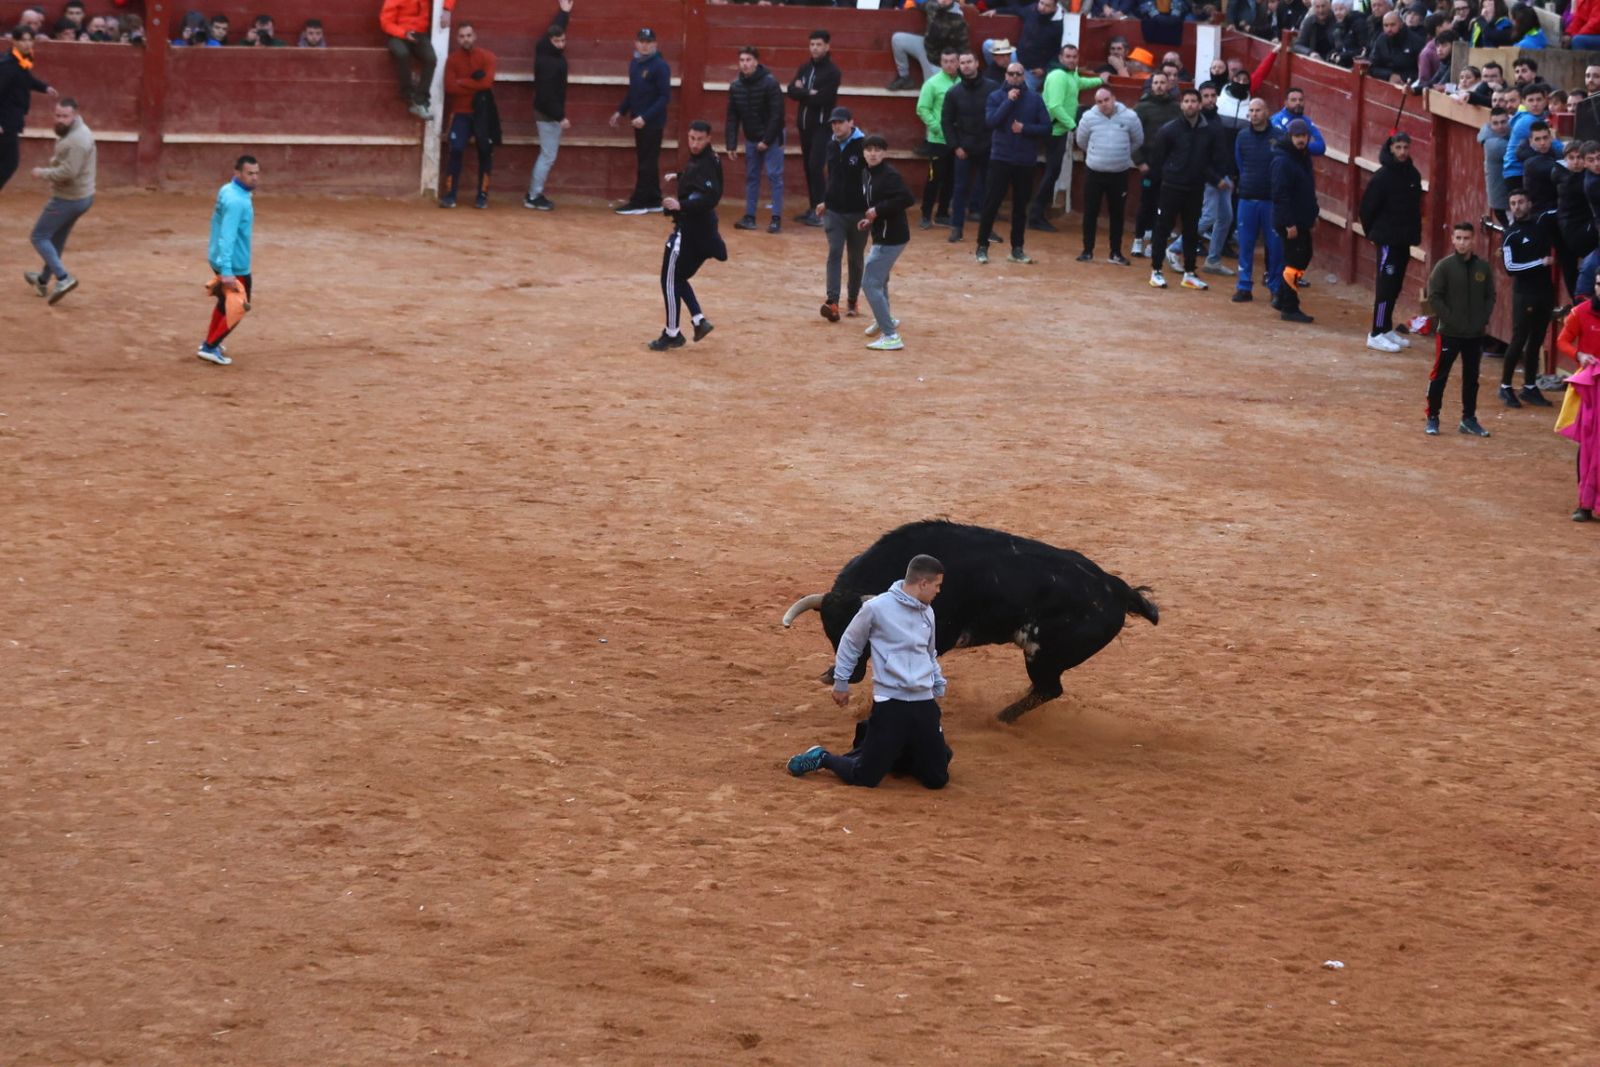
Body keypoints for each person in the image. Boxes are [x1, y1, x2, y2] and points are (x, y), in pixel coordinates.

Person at [786, 555, 951, 791]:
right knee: (865, 777)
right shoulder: (876, 608)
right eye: (937, 585)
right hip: (891, 702)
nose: (938, 591)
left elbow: (929, 652)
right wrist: (841, 682)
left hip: (923, 703)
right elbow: (850, 643)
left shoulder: (928, 612)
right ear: (923, 583)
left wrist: (937, 683)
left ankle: (893, 751)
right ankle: (823, 757)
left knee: (937, 779)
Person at [650, 120, 726, 351]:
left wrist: (680, 205)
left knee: (670, 279)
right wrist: (680, 176)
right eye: (691, 138)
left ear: (709, 138)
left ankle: (673, 332)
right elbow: (698, 180)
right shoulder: (707, 159)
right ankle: (698, 320)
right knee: (677, 278)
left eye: (699, 139)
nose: (694, 143)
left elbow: (708, 197)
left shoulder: (707, 163)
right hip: (702, 233)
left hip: (691, 233)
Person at [974, 60, 1050, 265]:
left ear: (1023, 76)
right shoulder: (996, 97)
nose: (1015, 77)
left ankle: (1017, 248)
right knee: (991, 203)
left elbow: (1046, 128)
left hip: (1025, 161)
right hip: (1001, 159)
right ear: (1005, 76)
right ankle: (982, 246)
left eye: (1018, 74)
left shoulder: (1035, 99)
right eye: (1011, 74)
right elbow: (991, 122)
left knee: (1020, 207)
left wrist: (1025, 128)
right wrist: (1008, 101)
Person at [1424, 221, 1495, 436]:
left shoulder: (1483, 268)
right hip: (1449, 333)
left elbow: (1490, 296)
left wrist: (1481, 319)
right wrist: (1451, 319)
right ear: (1453, 240)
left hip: (1474, 334)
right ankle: (1433, 417)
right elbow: (1434, 297)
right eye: (1459, 238)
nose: (1463, 242)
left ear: (1473, 241)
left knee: (1472, 378)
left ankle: (1469, 419)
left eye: (1467, 238)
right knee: (1439, 376)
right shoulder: (1444, 267)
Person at [1147, 88, 1222, 292]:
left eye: (1193, 101)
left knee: (1191, 231)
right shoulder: (1169, 130)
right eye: (1186, 101)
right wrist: (1162, 180)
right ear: (1181, 105)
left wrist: (1214, 179)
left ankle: (1189, 273)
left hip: (1195, 188)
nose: (1190, 104)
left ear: (1199, 105)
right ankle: (1156, 271)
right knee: (1163, 228)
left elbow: (1208, 161)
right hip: (1171, 187)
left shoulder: (1208, 131)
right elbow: (1158, 160)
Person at [22, 97, 93, 306]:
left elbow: (69, 172)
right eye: (58, 115)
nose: (60, 119)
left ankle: (63, 277)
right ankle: (43, 280)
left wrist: (43, 173)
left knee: (39, 236)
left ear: (75, 115)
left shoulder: (76, 141)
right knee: (55, 240)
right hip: (81, 196)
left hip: (68, 198)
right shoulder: (77, 132)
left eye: (65, 116)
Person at [1162, 83, 1235, 278]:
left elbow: (1221, 151)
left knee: (1225, 217)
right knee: (1208, 217)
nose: (1210, 99)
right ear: (1199, 102)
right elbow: (1199, 157)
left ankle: (1212, 260)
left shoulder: (1216, 120)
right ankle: (1174, 249)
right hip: (1209, 178)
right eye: (1206, 96)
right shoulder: (1200, 124)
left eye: (1213, 95)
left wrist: (1227, 174)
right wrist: (1215, 178)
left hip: (1222, 176)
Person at [1359, 131, 1422, 352]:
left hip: (1402, 240)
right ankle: (1376, 332)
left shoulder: (1412, 174)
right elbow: (1367, 209)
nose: (1403, 152)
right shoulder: (1382, 177)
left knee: (1394, 285)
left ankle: (1385, 328)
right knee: (1385, 286)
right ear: (1391, 148)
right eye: (1398, 148)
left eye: (1406, 147)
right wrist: (1375, 234)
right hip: (1387, 239)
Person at [1030, 43, 1101, 232]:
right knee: (1051, 173)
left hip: (1058, 130)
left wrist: (1099, 81)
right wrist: (1073, 126)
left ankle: (1037, 214)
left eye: (1074, 57)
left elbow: (1080, 83)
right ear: (1061, 58)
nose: (1071, 60)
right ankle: (1036, 215)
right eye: (1068, 56)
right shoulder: (1058, 76)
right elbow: (1054, 107)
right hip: (1052, 131)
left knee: (1051, 173)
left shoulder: (1070, 75)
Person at [197, 156, 259, 367]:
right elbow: (228, 236)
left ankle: (211, 342)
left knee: (224, 303)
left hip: (218, 257)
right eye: (250, 173)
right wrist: (227, 271)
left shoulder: (227, 190)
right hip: (234, 264)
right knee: (239, 307)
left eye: (256, 173)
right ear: (238, 173)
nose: (255, 178)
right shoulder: (237, 201)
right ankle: (210, 346)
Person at [1498, 189, 1556, 409]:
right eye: (1512, 203)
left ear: (1529, 203)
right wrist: (1539, 263)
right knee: (1519, 339)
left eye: (1521, 202)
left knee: (1537, 339)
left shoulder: (1541, 226)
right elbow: (1510, 268)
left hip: (1544, 291)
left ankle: (1530, 386)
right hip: (1525, 294)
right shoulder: (1510, 234)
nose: (1516, 207)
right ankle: (1505, 386)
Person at [858, 134, 915, 352]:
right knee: (879, 281)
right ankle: (885, 318)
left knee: (870, 282)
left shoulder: (889, 175)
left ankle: (891, 335)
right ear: (863, 153)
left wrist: (877, 211)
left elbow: (907, 198)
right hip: (883, 233)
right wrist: (870, 218)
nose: (873, 153)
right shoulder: (866, 173)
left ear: (884, 153)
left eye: (877, 149)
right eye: (869, 149)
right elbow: (877, 204)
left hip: (892, 237)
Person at [1075, 86, 1141, 264]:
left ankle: (1116, 252)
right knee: (1090, 212)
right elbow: (1081, 141)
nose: (1104, 104)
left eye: (1106, 100)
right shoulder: (1089, 117)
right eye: (1099, 101)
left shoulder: (1130, 117)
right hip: (1094, 172)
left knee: (1117, 214)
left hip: (1119, 173)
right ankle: (1087, 250)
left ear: (1114, 98)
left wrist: (1121, 155)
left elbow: (1137, 140)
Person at [726, 45, 785, 234]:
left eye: (748, 60)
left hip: (772, 137)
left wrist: (766, 140)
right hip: (752, 138)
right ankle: (750, 216)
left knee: (774, 176)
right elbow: (732, 116)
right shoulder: (736, 86)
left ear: (756, 62)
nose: (745, 64)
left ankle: (776, 218)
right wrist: (731, 143)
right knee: (752, 177)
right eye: (742, 60)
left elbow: (778, 115)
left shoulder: (770, 83)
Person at [439, 22, 498, 209]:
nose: (466, 39)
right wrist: (475, 83)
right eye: (462, 36)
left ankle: (482, 195)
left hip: (483, 113)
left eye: (468, 35)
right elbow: (449, 87)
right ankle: (450, 194)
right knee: (456, 149)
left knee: (485, 151)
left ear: (475, 36)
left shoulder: (488, 56)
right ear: (457, 39)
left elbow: (487, 84)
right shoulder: (453, 59)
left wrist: (463, 82)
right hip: (461, 112)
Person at [816, 107, 868, 321]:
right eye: (833, 123)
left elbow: (871, 179)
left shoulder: (865, 146)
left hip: (858, 211)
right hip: (835, 210)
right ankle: (833, 302)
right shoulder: (831, 144)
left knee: (856, 258)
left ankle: (853, 299)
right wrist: (826, 201)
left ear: (851, 122)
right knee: (835, 252)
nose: (836, 126)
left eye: (840, 122)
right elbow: (832, 177)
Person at [611, 28, 670, 215]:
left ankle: (639, 202)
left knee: (646, 162)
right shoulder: (635, 63)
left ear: (655, 44)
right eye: (641, 41)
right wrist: (620, 111)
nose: (644, 45)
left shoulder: (660, 66)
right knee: (648, 161)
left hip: (651, 123)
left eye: (648, 42)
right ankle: (653, 199)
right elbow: (633, 92)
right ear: (636, 43)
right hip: (638, 121)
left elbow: (664, 97)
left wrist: (645, 117)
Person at [1232, 97, 1283, 306]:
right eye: (1251, 111)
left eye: (1258, 110)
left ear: (1267, 112)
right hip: (1247, 198)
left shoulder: (1279, 137)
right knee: (1245, 244)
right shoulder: (1242, 136)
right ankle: (1244, 286)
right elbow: (1240, 164)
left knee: (1275, 247)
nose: (1254, 114)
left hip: (1271, 201)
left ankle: (1276, 288)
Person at [787, 29, 840, 229]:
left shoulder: (833, 72)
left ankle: (821, 212)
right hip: (804, 125)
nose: (815, 48)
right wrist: (807, 91)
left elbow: (824, 99)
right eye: (812, 44)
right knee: (809, 168)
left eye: (818, 44)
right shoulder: (804, 67)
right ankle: (813, 208)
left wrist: (802, 92)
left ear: (827, 46)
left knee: (815, 167)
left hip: (822, 126)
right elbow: (791, 90)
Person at [1554, 296, 1600, 519]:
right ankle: (1585, 504)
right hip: (1590, 385)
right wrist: (1578, 355)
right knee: (1589, 441)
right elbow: (1562, 341)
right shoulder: (1581, 312)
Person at [941, 49, 993, 245]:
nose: (966, 66)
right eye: (962, 63)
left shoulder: (992, 88)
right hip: (964, 148)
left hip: (988, 146)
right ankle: (956, 228)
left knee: (989, 189)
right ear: (958, 66)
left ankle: (987, 230)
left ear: (977, 63)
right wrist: (955, 147)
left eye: (969, 62)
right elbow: (946, 122)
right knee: (960, 188)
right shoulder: (954, 93)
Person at [524, 0, 572, 212]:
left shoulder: (544, 48)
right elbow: (546, 95)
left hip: (546, 111)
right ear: (551, 41)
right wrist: (560, 116)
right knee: (548, 155)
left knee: (547, 154)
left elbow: (554, 30)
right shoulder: (550, 63)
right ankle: (533, 195)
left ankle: (534, 193)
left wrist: (564, 13)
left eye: (563, 40)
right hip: (547, 113)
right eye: (557, 41)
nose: (561, 44)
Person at [1270, 118, 1317, 322]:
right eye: (1297, 136)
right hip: (1291, 222)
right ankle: (1289, 306)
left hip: (1300, 219)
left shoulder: (1302, 157)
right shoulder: (1284, 161)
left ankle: (1282, 296)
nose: (1301, 140)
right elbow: (1281, 194)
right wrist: (1289, 223)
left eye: (1304, 136)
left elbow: (1307, 191)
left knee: (1301, 257)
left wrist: (1312, 214)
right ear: (1290, 137)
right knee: (1295, 260)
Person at [1130, 70, 1179, 259]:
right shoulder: (1141, 108)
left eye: (1162, 82)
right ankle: (1138, 239)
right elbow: (1132, 136)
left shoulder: (1176, 109)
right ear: (1152, 85)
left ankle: (1154, 243)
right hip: (1148, 165)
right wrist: (1139, 162)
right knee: (1146, 204)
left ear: (1169, 85)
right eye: (1156, 82)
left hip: (1169, 166)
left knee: (1164, 205)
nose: (1159, 86)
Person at [0, 26, 56, 192]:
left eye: (29, 39)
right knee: (10, 162)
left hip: (11, 118)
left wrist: (44, 88)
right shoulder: (8, 65)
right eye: (23, 40)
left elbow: (26, 79)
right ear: (14, 41)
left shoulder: (19, 61)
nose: (26, 43)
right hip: (5, 120)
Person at [382, 0, 454, 120]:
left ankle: (420, 100)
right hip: (398, 35)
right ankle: (408, 93)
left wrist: (447, 9)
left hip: (419, 34)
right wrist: (404, 33)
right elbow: (385, 22)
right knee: (402, 53)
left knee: (431, 59)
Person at [914, 49, 959, 229]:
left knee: (952, 178)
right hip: (938, 140)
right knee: (934, 178)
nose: (949, 64)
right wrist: (938, 128)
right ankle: (925, 214)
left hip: (957, 140)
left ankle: (942, 213)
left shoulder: (964, 83)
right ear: (941, 63)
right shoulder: (932, 84)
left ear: (958, 62)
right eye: (945, 61)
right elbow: (922, 108)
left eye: (952, 61)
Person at [981, 0, 1060, 93]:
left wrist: (1044, 69)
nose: (1042, 7)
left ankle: (1008, 75)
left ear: (1054, 7)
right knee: (987, 45)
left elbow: (1057, 53)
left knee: (1022, 93)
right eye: (1041, 3)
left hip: (1032, 71)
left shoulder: (1058, 26)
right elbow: (1015, 10)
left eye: (1047, 6)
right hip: (1017, 57)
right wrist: (997, 11)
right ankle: (1000, 72)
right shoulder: (1032, 10)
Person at [889, 0, 969, 91]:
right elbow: (919, 5)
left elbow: (962, 49)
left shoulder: (958, 19)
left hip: (939, 60)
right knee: (898, 39)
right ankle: (904, 77)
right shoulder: (932, 6)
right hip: (925, 46)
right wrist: (907, 7)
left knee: (930, 89)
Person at [1503, 82, 1551, 195]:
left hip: (1514, 171)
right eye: (1531, 100)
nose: (1535, 104)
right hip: (1517, 172)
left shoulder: (1528, 116)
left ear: (1545, 101)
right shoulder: (1528, 120)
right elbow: (1551, 143)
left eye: (1539, 100)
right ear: (1523, 102)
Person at [1269, 86, 1326, 157]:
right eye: (1293, 100)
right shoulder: (1277, 120)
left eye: (1301, 100)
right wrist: (1306, 143)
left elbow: (1321, 146)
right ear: (1286, 102)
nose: (1298, 102)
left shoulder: (1307, 121)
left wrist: (1298, 146)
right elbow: (1281, 146)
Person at [1367, 12, 1420, 85]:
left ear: (1401, 24)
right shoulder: (1381, 39)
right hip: (1384, 84)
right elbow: (1372, 67)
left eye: (1392, 25)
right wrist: (1389, 75)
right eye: (1386, 25)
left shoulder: (1415, 41)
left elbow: (1422, 71)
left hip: (1408, 85)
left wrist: (1402, 77)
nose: (1389, 29)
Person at [1480, 107, 1511, 227]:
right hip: (1503, 202)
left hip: (1502, 199)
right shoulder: (1493, 144)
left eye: (1503, 122)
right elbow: (1518, 151)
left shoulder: (1488, 135)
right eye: (1496, 123)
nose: (1500, 126)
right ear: (1490, 124)